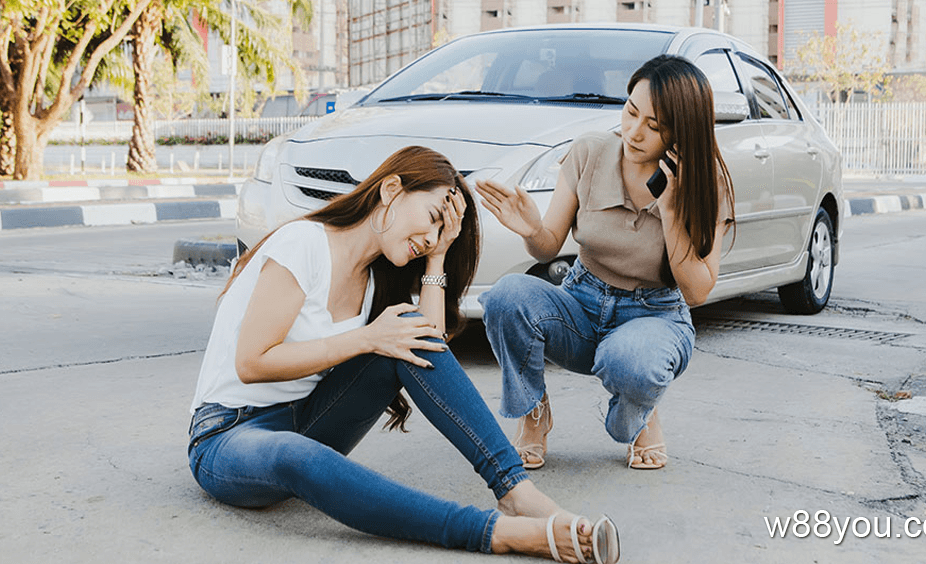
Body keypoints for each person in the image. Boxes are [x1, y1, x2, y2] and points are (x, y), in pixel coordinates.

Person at [187, 146, 619, 562]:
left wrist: (437, 259)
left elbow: (428, 349)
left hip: (306, 418)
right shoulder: (303, 244)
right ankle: (494, 533)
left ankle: (516, 492)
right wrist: (367, 338)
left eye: (438, 232)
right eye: (431, 219)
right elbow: (252, 363)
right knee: (295, 453)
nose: (429, 236)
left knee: (408, 336)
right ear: (391, 189)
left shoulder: (376, 281)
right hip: (228, 435)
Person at [476, 55, 735, 471]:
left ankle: (639, 414)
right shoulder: (590, 153)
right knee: (506, 297)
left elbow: (698, 290)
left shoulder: (707, 184)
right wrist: (528, 227)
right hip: (581, 301)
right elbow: (546, 248)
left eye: (655, 126)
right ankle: (533, 412)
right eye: (631, 111)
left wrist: (670, 209)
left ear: (682, 132)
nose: (633, 132)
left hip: (655, 316)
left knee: (633, 362)